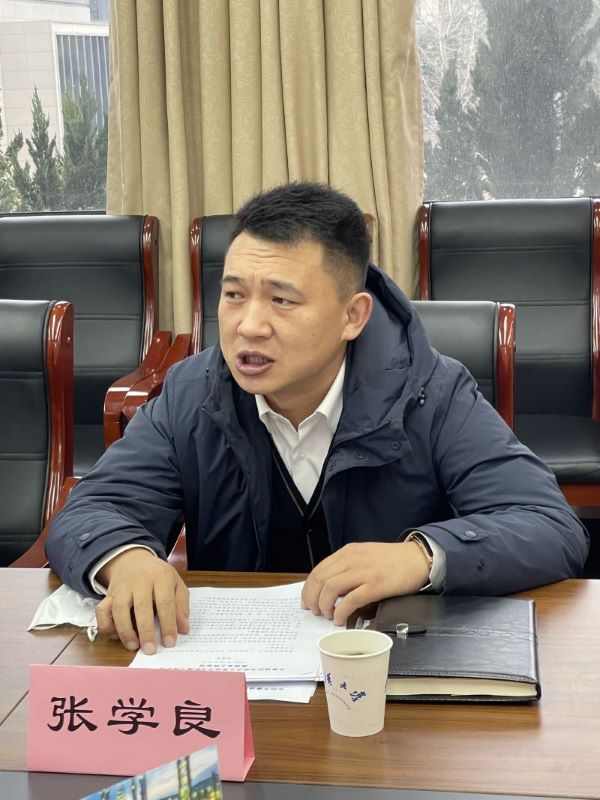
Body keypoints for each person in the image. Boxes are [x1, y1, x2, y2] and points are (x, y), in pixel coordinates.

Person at [46, 182, 589, 655]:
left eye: (282, 301)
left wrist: (422, 557)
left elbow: (549, 526)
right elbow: (90, 510)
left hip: (389, 676)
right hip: (245, 678)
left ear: (352, 315)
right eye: (234, 295)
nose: (249, 326)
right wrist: (126, 558)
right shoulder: (193, 395)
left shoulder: (432, 392)